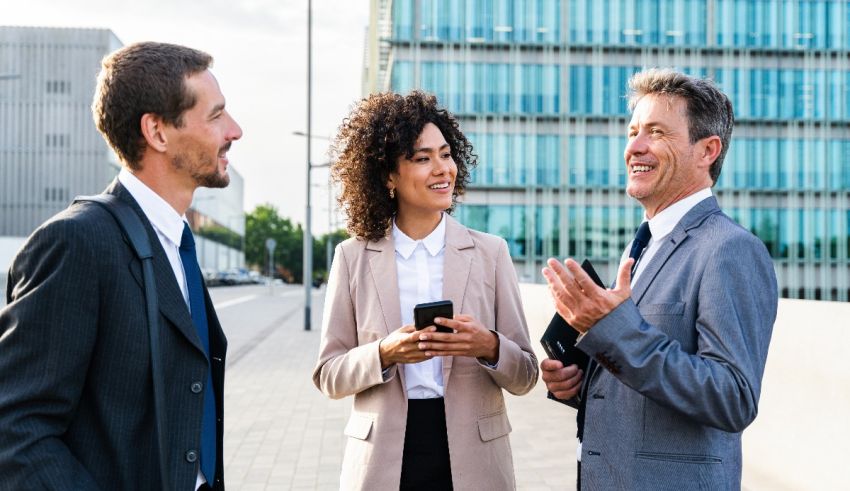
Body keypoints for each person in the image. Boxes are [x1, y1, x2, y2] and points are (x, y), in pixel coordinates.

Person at [0, 42, 242, 490]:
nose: (235, 130)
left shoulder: (176, 243)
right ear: (158, 132)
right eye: (216, 116)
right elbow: (15, 429)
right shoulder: (78, 241)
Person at [539, 68, 778, 489]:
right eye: (633, 131)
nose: (635, 147)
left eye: (656, 132)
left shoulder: (730, 250)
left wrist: (610, 329)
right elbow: (641, 372)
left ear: (707, 150)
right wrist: (577, 383)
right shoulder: (644, 245)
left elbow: (733, 397)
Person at [313, 91, 538, 490]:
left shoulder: (491, 252)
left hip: (474, 457)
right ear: (388, 176)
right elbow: (329, 375)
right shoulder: (352, 257)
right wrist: (384, 353)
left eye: (446, 154)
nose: (442, 169)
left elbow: (525, 375)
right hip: (383, 457)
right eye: (422, 158)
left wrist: (487, 345)